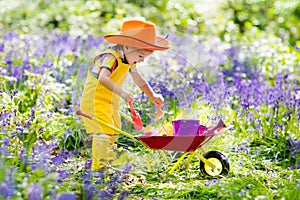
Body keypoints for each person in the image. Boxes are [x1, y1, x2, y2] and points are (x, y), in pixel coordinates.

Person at [79, 19, 170, 170]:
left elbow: (138, 78)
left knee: (114, 130)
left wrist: (152, 95)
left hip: (110, 101)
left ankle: (108, 164)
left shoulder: (129, 59)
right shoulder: (110, 57)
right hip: (94, 101)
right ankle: (98, 171)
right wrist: (123, 93)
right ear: (127, 47)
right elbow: (103, 78)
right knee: (104, 133)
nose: (141, 61)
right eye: (140, 56)